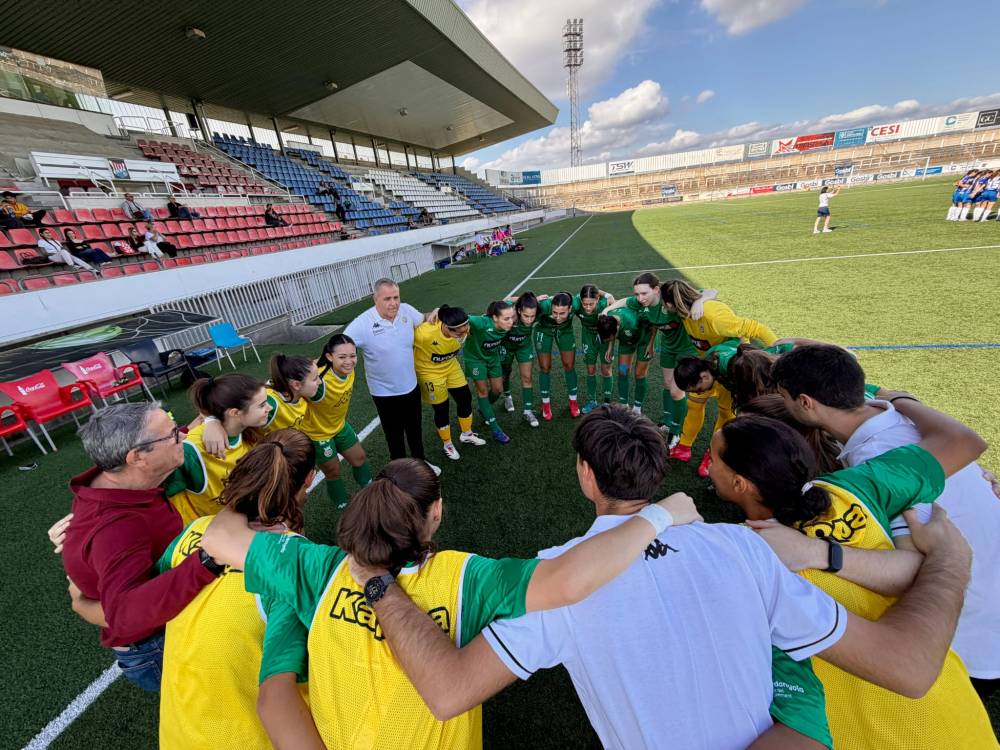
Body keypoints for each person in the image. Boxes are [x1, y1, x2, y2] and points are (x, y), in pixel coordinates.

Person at [340, 405, 977, 750]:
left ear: (586, 477)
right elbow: (910, 667)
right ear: (657, 475)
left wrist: (377, 580)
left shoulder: (557, 581)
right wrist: (949, 559)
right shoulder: (746, 550)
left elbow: (448, 691)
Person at [199, 453, 702, 750]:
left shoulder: (319, 566)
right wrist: (658, 517)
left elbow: (219, 536)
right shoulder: (469, 577)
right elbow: (569, 581)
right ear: (436, 512)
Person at [710, 408, 996, 749]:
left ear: (739, 483)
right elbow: (960, 444)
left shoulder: (742, 565)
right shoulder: (858, 486)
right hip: (963, 722)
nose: (708, 465)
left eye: (713, 458)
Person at [770, 344, 1000, 703]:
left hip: (969, 640)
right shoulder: (901, 422)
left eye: (783, 397)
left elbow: (913, 570)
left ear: (805, 402)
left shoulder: (878, 460)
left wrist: (818, 553)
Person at [157, 429, 321, 749]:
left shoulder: (195, 530)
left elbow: (150, 598)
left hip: (177, 734)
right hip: (246, 737)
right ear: (310, 478)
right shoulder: (292, 566)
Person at [60, 403, 220, 691]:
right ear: (137, 458)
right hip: (157, 643)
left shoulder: (123, 474)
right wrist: (207, 562)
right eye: (172, 434)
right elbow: (124, 614)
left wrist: (210, 421)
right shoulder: (116, 528)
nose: (182, 437)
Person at [661, 279, 779, 475]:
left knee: (726, 412)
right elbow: (708, 291)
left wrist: (776, 356)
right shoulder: (686, 308)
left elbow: (756, 328)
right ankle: (684, 447)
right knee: (694, 403)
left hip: (730, 368)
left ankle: (712, 455)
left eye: (664, 304)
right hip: (706, 366)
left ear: (670, 304)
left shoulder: (713, 316)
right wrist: (702, 298)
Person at [604, 273, 715, 443]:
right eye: (637, 294)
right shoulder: (643, 304)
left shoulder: (671, 296)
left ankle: (677, 432)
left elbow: (711, 291)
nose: (640, 298)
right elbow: (626, 301)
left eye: (644, 293)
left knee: (677, 391)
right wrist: (606, 310)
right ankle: (667, 421)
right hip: (668, 349)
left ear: (656, 290)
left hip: (686, 350)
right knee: (666, 385)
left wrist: (699, 301)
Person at [343, 278, 439, 474]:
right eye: (387, 298)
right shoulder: (361, 324)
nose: (393, 303)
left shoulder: (406, 311)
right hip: (384, 392)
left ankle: (421, 464)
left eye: (396, 297)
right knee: (394, 436)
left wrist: (436, 312)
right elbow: (339, 346)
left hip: (411, 385)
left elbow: (424, 318)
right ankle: (400, 473)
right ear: (375, 299)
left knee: (414, 430)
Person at [166, 374, 270, 525]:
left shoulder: (248, 428)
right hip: (209, 535)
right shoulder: (192, 451)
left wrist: (210, 419)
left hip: (241, 520)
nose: (269, 408)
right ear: (235, 413)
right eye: (262, 405)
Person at [300, 334, 372, 509]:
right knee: (333, 472)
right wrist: (218, 421)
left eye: (352, 356)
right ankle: (342, 504)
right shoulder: (318, 382)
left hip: (339, 426)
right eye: (342, 357)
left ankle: (370, 491)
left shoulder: (349, 370)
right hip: (318, 434)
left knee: (360, 458)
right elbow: (282, 385)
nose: (349, 361)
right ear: (329, 357)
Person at [413, 305, 486, 460]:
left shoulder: (464, 327)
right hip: (429, 372)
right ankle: (448, 444)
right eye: (458, 333)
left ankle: (466, 433)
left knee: (465, 398)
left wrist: (439, 308)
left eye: (465, 330)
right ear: (446, 327)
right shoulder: (424, 334)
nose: (462, 335)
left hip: (451, 366)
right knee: (441, 408)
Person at [463, 300, 517, 444]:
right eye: (506, 319)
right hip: (475, 359)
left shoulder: (505, 319)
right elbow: (461, 317)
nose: (511, 321)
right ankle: (495, 429)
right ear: (494, 318)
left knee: (498, 390)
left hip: (493, 358)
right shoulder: (481, 323)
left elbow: (511, 299)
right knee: (483, 391)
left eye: (512, 317)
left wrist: (534, 299)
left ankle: (483, 408)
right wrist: (439, 311)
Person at [596, 302, 653, 410]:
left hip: (644, 341)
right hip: (626, 343)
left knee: (639, 374)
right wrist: (610, 346)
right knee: (623, 371)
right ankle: (624, 405)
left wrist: (651, 343)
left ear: (617, 329)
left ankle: (637, 408)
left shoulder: (632, 321)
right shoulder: (607, 320)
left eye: (611, 338)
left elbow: (652, 324)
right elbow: (609, 333)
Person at [533, 292, 581, 420]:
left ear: (570, 309)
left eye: (562, 313)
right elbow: (519, 305)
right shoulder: (543, 305)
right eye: (554, 313)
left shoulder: (576, 303)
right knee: (545, 367)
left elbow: (592, 292)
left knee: (569, 365)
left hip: (564, 330)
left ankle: (573, 401)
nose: (557, 317)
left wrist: (608, 295)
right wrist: (534, 299)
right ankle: (546, 404)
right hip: (544, 330)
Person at [500, 292, 540, 428]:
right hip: (506, 346)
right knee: (505, 373)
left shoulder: (537, 309)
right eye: (526, 316)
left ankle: (528, 411)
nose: (529, 320)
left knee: (527, 377)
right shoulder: (509, 314)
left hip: (524, 346)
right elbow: (505, 300)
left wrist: (536, 300)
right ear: (518, 311)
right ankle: (507, 397)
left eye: (532, 316)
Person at [573, 284, 615, 414]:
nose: (588, 307)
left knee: (606, 369)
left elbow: (613, 330)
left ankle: (607, 402)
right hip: (588, 337)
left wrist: (610, 347)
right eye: (585, 304)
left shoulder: (605, 305)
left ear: (597, 300)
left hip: (604, 338)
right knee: (590, 369)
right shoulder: (577, 303)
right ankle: (592, 400)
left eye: (591, 304)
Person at [261, 354, 320, 434]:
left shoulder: (301, 393)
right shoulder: (270, 403)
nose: (319, 382)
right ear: (296, 385)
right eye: (315, 379)